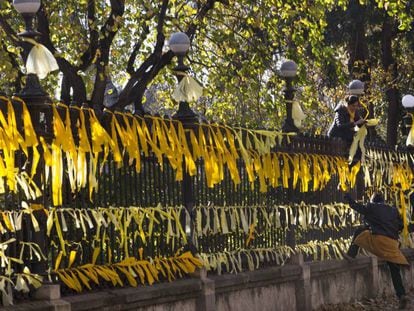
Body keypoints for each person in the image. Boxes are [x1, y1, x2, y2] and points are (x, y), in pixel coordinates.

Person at [343, 192, 409, 309]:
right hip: (392, 245)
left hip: (379, 243)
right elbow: (401, 226)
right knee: (395, 271)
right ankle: (401, 295)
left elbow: (358, 207)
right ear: (383, 201)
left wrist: (349, 199)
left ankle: (351, 255)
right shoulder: (393, 210)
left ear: (373, 201)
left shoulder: (371, 207)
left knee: (360, 230)